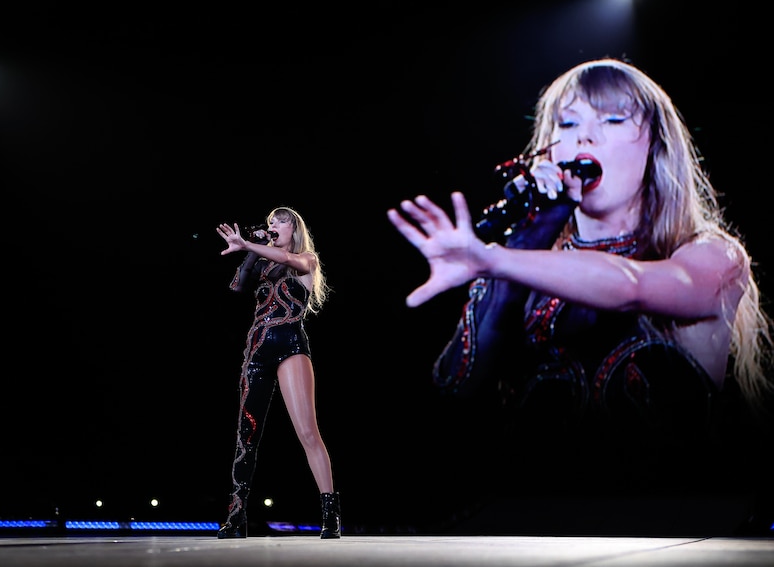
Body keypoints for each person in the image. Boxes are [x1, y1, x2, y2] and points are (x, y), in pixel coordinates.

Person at [387, 58, 774, 494]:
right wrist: (534, 232)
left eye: (612, 119)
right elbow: (457, 391)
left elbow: (631, 287)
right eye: (568, 123)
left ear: (655, 145)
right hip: (530, 527)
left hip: (668, 525)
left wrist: (495, 259)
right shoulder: (522, 259)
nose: (585, 135)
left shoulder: (713, 256)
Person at [214, 207, 341, 539]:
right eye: (270, 221)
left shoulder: (306, 259)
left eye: (280, 221)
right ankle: (236, 516)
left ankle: (330, 515)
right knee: (246, 436)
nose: (273, 225)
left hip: (290, 345)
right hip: (256, 349)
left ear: (293, 228)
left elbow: (293, 263)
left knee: (308, 433)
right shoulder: (262, 261)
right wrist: (246, 252)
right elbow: (237, 287)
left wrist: (250, 245)